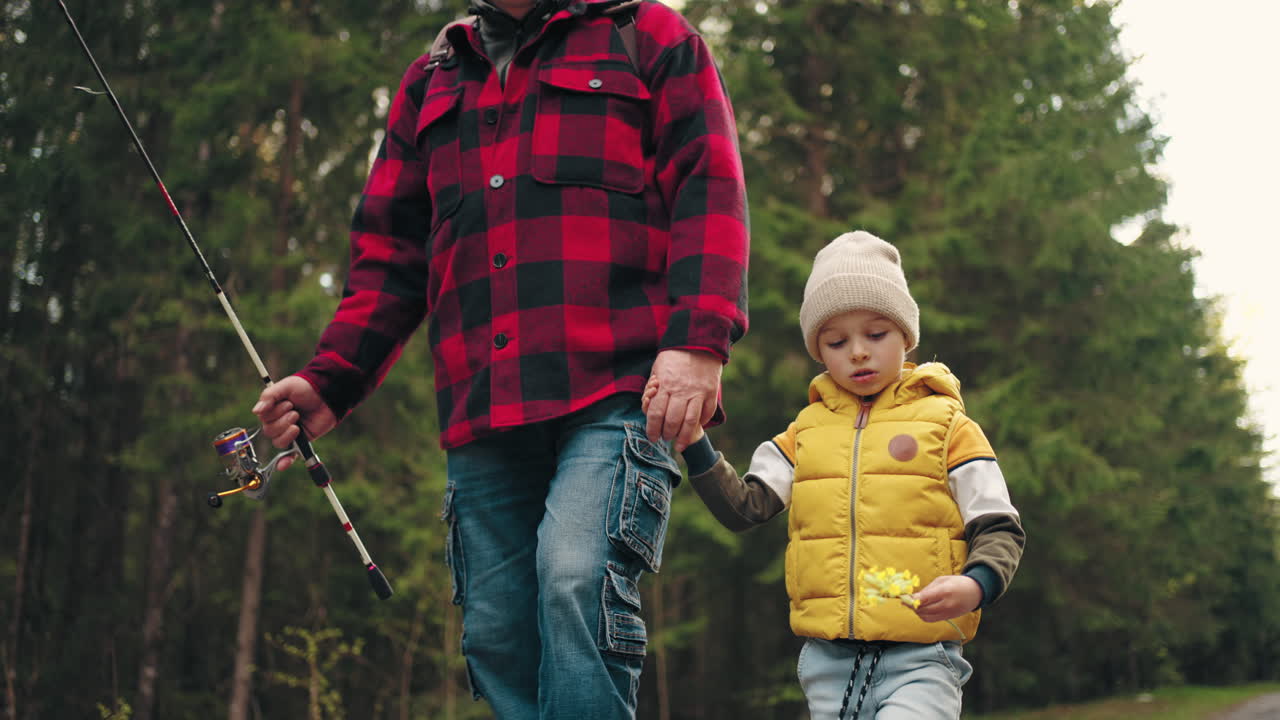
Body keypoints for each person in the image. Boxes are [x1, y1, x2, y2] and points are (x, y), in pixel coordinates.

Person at [252, 0, 747, 717]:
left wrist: (698, 342)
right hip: (483, 410)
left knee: (576, 578)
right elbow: (391, 257)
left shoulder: (648, 37)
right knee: (496, 631)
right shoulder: (431, 81)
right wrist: (332, 379)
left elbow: (711, 186)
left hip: (619, 392)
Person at [646, 231, 1023, 719]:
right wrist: (696, 445)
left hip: (922, 655)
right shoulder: (804, 434)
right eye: (837, 341)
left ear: (906, 335)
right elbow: (746, 507)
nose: (859, 352)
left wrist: (976, 584)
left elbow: (998, 525)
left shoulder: (950, 427)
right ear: (818, 350)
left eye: (876, 334)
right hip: (827, 663)